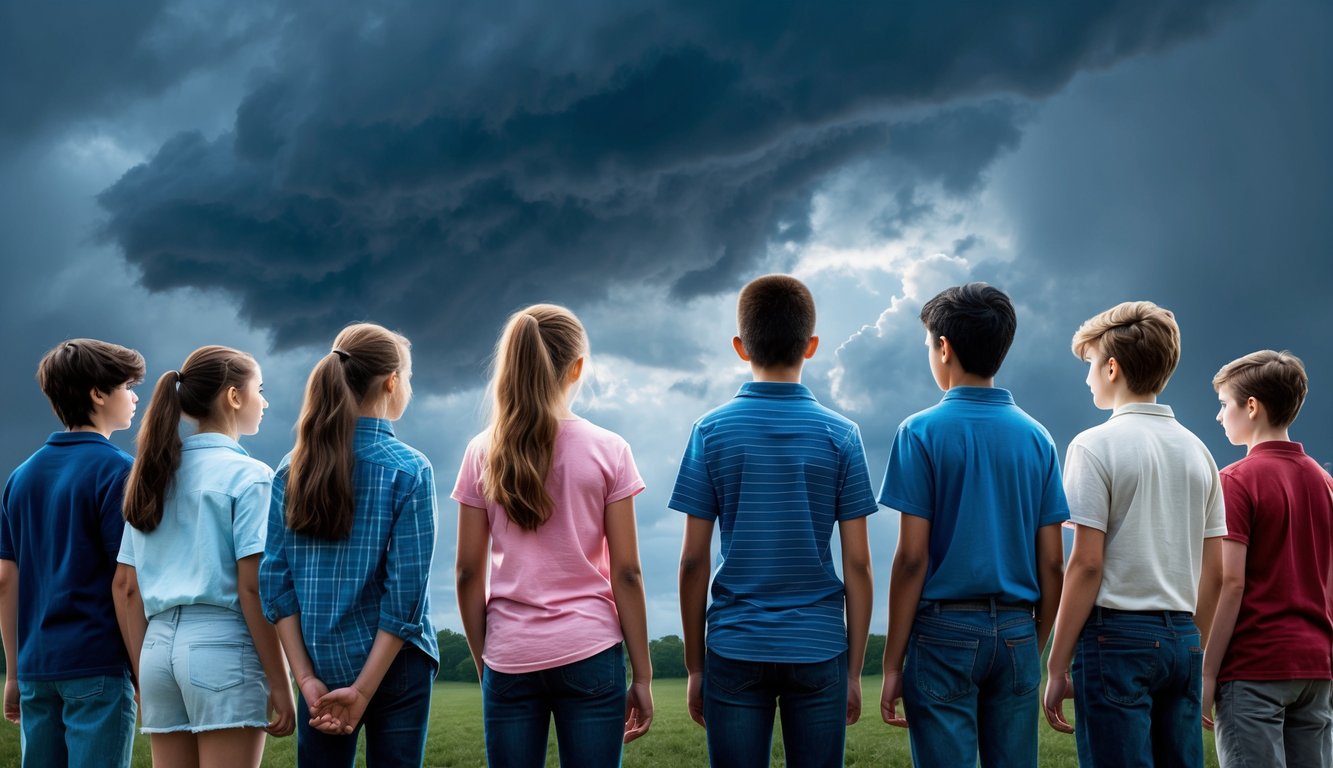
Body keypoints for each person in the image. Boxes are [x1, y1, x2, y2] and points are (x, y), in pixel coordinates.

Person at [671, 274, 878, 768]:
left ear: (741, 347)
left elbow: (693, 561)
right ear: (811, 346)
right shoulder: (842, 436)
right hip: (819, 644)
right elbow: (860, 566)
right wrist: (852, 672)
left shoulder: (710, 431)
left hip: (735, 643)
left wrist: (695, 668)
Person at [877, 282, 1068, 768]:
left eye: (928, 345)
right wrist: (1033, 641)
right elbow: (1052, 561)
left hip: (943, 632)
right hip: (1017, 631)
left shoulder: (918, 432)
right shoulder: (1037, 437)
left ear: (944, 347)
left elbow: (912, 558)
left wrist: (893, 662)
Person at [453, 304, 653, 767]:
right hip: (590, 649)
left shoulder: (480, 452)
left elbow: (466, 571)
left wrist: (487, 659)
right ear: (577, 367)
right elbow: (626, 572)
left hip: (509, 653)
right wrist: (641, 675)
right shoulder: (610, 449)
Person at [1043, 300, 1226, 767]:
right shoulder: (1199, 451)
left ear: (1111, 367)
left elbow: (1085, 563)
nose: (1086, 379)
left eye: (1088, 366)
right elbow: (1217, 574)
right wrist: (1191, 645)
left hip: (1115, 639)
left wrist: (1057, 663)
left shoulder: (1092, 445)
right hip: (1185, 635)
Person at [260, 323, 439, 767]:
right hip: (395, 668)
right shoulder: (411, 469)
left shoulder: (291, 469)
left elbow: (276, 585)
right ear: (391, 382)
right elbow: (406, 598)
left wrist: (305, 679)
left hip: (318, 667)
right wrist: (361, 691)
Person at [114, 345, 296, 767]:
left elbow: (126, 588)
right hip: (223, 648)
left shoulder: (152, 476)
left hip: (155, 652)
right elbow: (253, 587)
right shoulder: (252, 477)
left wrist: (144, 677)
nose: (264, 401)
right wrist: (280, 680)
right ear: (234, 396)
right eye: (260, 389)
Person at [0, 338, 145, 768]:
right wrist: (141, 670)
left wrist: (13, 672)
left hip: (35, 668)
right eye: (127, 386)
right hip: (97, 662)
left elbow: (6, 580)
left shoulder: (20, 477)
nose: (135, 396)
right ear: (98, 394)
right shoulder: (119, 470)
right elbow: (125, 583)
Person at [1203, 349, 1333, 767]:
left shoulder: (1235, 481)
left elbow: (1230, 581)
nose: (1221, 416)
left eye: (1225, 404)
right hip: (1316, 667)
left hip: (1255, 668)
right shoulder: (1324, 481)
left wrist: (1207, 672)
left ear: (1252, 407)